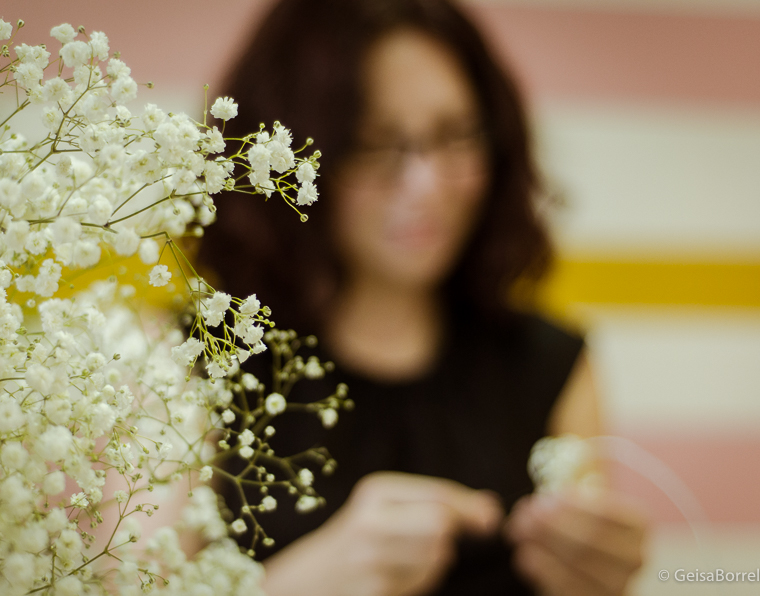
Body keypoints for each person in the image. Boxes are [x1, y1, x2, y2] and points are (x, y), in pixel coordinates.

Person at [198, 0, 647, 594]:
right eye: (374, 144)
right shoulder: (198, 358)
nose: (427, 183)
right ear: (287, 162)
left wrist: (597, 575)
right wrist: (308, 581)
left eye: (454, 136)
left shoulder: (548, 365)